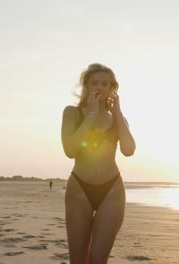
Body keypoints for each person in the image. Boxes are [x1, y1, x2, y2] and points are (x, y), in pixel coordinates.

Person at [61, 63, 136, 264]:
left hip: (112, 191)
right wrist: (92, 113)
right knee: (77, 260)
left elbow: (129, 150)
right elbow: (70, 150)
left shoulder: (119, 119)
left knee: (97, 260)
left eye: (105, 84)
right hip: (79, 189)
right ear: (85, 87)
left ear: (113, 88)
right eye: (94, 83)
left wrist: (118, 113)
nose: (99, 87)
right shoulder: (72, 113)